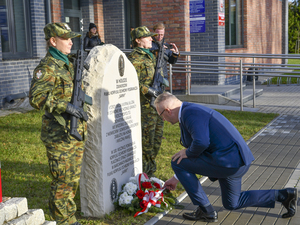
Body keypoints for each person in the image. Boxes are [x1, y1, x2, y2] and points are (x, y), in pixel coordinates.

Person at [155, 92, 298, 222]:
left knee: (177, 162)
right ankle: (284, 195)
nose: (163, 119)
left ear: (167, 111)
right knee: (232, 203)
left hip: (227, 162)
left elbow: (201, 142)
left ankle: (206, 211)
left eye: (161, 115)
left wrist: (187, 153)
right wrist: (176, 178)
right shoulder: (190, 110)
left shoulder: (189, 113)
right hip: (236, 161)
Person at [29, 23, 89, 225]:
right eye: (66, 38)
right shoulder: (47, 67)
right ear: (53, 41)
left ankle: (69, 217)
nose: (71, 41)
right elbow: (36, 98)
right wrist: (65, 106)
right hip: (58, 134)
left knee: (72, 178)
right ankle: (64, 221)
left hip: (74, 130)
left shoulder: (67, 63)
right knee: (63, 179)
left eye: (71, 38)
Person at [127, 26, 165, 177]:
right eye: (147, 37)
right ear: (137, 40)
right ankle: (144, 174)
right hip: (145, 107)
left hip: (157, 105)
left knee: (156, 140)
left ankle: (151, 170)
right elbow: (131, 82)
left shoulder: (150, 56)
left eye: (151, 36)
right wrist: (148, 91)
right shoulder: (134, 59)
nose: (151, 38)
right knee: (146, 142)